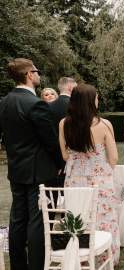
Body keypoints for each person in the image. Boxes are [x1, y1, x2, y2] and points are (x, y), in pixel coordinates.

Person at [0, 58, 62, 270]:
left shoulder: (4, 102)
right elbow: (51, 141)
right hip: (39, 171)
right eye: (36, 71)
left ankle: (18, 266)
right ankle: (37, 265)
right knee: (37, 221)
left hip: (16, 169)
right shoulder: (36, 104)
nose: (38, 74)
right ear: (29, 75)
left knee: (18, 219)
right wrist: (60, 163)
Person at [59, 83, 121, 264]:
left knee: (79, 218)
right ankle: (103, 258)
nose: (98, 100)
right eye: (96, 97)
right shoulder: (103, 124)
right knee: (104, 219)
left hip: (74, 181)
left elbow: (64, 155)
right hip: (100, 182)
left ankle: (81, 256)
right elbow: (114, 158)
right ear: (89, 101)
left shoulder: (63, 124)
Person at [49, 77, 77, 188]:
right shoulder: (75, 106)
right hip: (72, 152)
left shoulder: (47, 106)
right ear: (70, 87)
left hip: (53, 154)